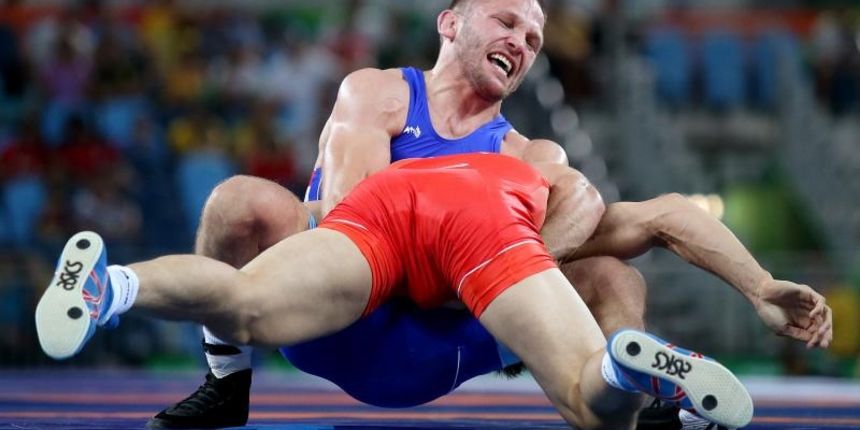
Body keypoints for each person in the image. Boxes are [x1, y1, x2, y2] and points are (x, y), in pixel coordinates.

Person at [160, 0, 671, 427]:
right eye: (507, 22)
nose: (522, 42)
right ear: (450, 23)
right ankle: (226, 381)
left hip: (438, 347)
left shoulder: (530, 153)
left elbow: (587, 215)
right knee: (239, 202)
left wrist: (509, 278)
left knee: (613, 278)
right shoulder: (376, 93)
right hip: (333, 315)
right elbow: (347, 225)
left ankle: (637, 402)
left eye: (534, 40)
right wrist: (462, 267)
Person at [37, 152, 799, 429]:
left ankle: (114, 284)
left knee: (243, 301)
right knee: (587, 396)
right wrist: (759, 287)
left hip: (385, 206)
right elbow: (665, 215)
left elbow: (331, 198)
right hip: (481, 232)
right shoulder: (534, 182)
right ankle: (621, 371)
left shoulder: (395, 125)